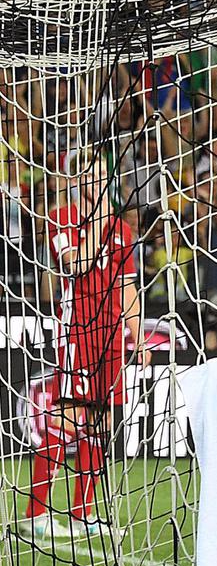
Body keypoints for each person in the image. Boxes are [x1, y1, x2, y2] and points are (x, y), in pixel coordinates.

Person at [21, 155, 150, 540]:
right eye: (87, 177)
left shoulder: (122, 231)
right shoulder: (62, 217)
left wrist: (138, 335)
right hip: (77, 329)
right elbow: (78, 265)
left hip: (110, 336)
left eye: (99, 177)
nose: (94, 184)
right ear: (76, 180)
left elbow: (127, 287)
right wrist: (94, 223)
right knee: (69, 418)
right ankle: (35, 513)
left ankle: (82, 513)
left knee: (100, 422)